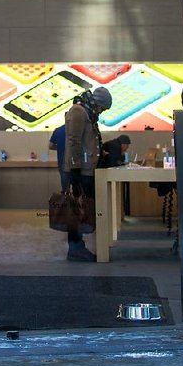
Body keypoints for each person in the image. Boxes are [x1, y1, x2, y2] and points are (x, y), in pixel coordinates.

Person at [63, 85, 113, 263]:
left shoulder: (88, 113)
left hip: (87, 170)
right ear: (97, 103)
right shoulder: (78, 111)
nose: (101, 112)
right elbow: (73, 140)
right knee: (77, 211)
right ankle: (75, 249)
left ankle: (78, 247)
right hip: (80, 171)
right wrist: (75, 169)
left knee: (83, 210)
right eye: (103, 108)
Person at [49, 123, 67, 189]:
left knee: (65, 189)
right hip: (77, 163)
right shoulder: (78, 129)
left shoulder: (58, 130)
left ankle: (66, 197)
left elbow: (50, 146)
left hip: (62, 162)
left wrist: (59, 147)